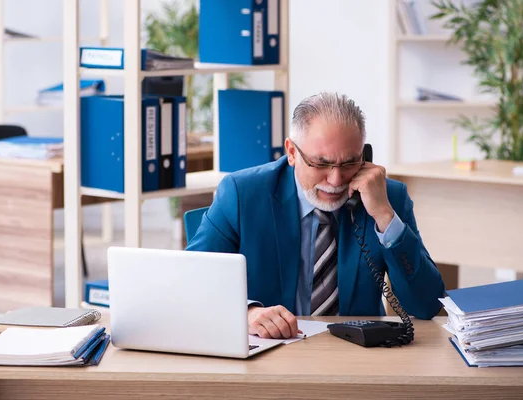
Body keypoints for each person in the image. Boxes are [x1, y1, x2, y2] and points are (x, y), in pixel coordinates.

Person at [186, 92, 445, 339]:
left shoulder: (387, 197)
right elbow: (192, 280)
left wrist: (384, 216)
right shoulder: (242, 194)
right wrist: (246, 312)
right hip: (269, 352)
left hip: (358, 357)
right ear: (291, 153)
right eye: (321, 164)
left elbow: (425, 305)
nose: (335, 180)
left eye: (349, 163)